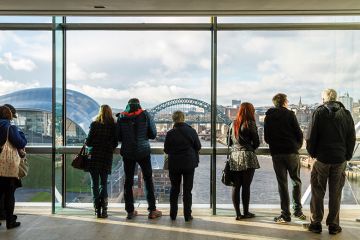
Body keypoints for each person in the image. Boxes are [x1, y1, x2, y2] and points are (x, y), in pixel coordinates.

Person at [306, 89, 356, 235]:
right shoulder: (346, 114)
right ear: (336, 98)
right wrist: (347, 155)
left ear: (323, 99)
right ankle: (333, 225)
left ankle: (316, 223)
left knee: (317, 191)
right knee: (335, 193)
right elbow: (351, 137)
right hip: (340, 159)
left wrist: (313, 153)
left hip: (322, 158)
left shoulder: (319, 113)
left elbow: (311, 136)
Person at [117, 98, 162, 219]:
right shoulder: (146, 115)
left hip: (128, 152)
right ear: (139, 105)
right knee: (148, 180)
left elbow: (118, 137)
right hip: (143, 151)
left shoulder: (121, 117)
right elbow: (153, 134)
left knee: (128, 181)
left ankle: (130, 211)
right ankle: (152, 210)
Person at [264, 93, 305, 223]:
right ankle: (298, 211)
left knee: (282, 184)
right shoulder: (290, 114)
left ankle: (285, 214)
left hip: (277, 153)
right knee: (296, 181)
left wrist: (275, 145)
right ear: (285, 102)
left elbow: (266, 138)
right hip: (292, 152)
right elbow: (299, 133)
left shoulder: (268, 117)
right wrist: (296, 146)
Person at [164, 111, 201, 222]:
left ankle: (173, 215)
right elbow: (198, 146)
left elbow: (166, 149)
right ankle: (187, 215)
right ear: (183, 118)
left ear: (173, 119)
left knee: (174, 189)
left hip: (174, 164)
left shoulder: (170, 133)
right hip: (189, 163)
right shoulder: (192, 131)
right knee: (187, 190)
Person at [227, 102, 260, 220]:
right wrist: (250, 147)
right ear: (250, 111)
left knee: (236, 186)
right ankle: (246, 212)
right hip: (247, 156)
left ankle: (238, 214)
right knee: (246, 186)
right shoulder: (250, 123)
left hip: (235, 156)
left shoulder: (232, 124)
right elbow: (257, 142)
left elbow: (229, 143)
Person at [86, 105, 118, 218]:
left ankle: (96, 209)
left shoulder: (94, 125)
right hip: (106, 157)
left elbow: (88, 142)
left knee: (94, 184)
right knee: (103, 184)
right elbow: (115, 143)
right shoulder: (114, 126)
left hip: (94, 156)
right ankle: (104, 210)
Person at [0, 104, 27, 229]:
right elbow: (20, 142)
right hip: (7, 166)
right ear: (10, 115)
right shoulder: (10, 127)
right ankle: (10, 221)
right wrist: (20, 132)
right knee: (9, 193)